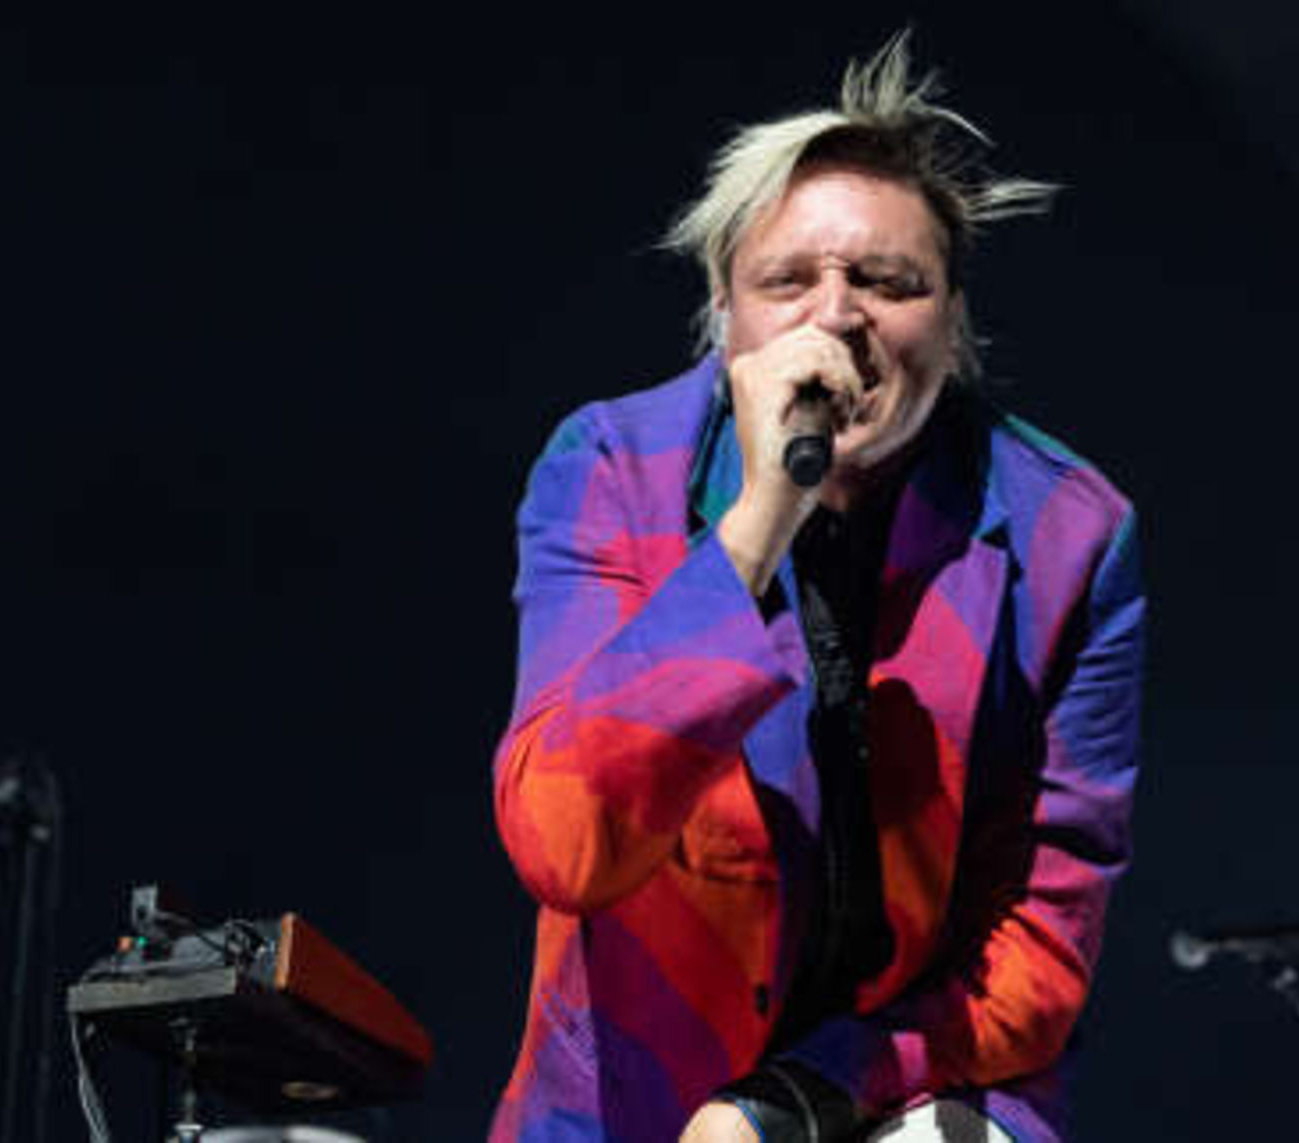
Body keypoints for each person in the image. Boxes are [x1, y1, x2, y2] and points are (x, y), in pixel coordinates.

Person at [489, 33, 1143, 1143]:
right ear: (723, 315)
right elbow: (566, 843)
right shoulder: (608, 468)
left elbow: (1041, 947)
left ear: (954, 323)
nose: (835, 315)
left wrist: (797, 1100)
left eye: (888, 282)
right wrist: (755, 527)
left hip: (917, 1082)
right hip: (632, 1104)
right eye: (786, 281)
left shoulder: (1070, 534)